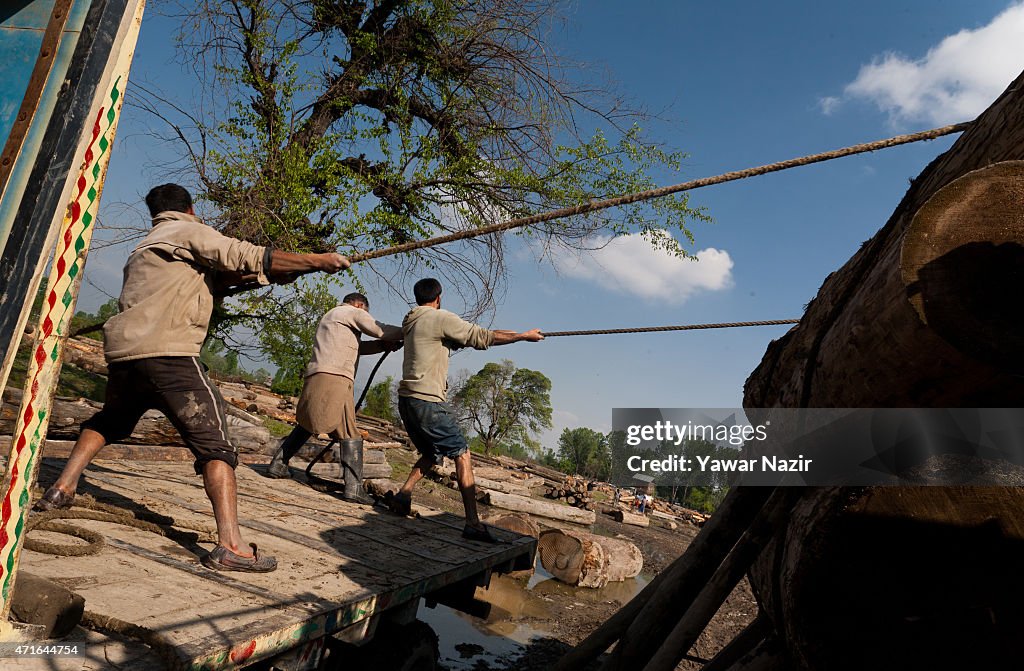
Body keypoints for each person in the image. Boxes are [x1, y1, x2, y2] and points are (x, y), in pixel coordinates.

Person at [33, 183, 350, 573]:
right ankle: (231, 545)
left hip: (125, 356)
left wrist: (270, 276)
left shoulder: (147, 247)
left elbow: (219, 281)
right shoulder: (188, 230)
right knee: (217, 444)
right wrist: (317, 260)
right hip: (169, 356)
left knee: (109, 421)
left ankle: (62, 487)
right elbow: (246, 255)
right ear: (191, 209)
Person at [387, 278, 543, 543]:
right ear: (439, 297)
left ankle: (403, 495)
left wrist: (450, 343)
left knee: (430, 451)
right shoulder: (440, 318)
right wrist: (522, 336)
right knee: (462, 453)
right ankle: (472, 523)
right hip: (428, 401)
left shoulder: (411, 320)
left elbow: (434, 343)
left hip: (407, 400)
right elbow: (484, 336)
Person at [265, 292, 402, 504]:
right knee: (348, 431)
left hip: (324, 374)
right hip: (336, 376)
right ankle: (354, 487)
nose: (364, 315)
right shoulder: (350, 312)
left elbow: (360, 348)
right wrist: (408, 331)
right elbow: (378, 329)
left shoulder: (333, 318)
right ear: (359, 305)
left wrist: (383, 346)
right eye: (364, 311)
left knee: (310, 422)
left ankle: (279, 463)